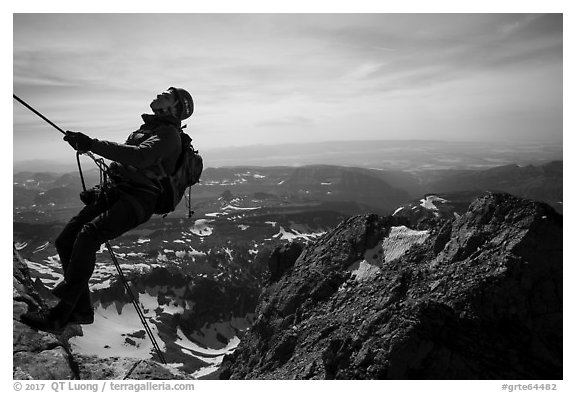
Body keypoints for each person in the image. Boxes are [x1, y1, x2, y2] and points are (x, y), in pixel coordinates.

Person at [20, 87, 194, 334]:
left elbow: (140, 157)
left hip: (138, 200)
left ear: (174, 107)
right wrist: (96, 190)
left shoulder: (169, 135)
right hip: (117, 192)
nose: (160, 93)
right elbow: (124, 165)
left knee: (88, 235)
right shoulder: (148, 130)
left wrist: (91, 144)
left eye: (168, 93)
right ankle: (80, 310)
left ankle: (60, 315)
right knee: (66, 240)